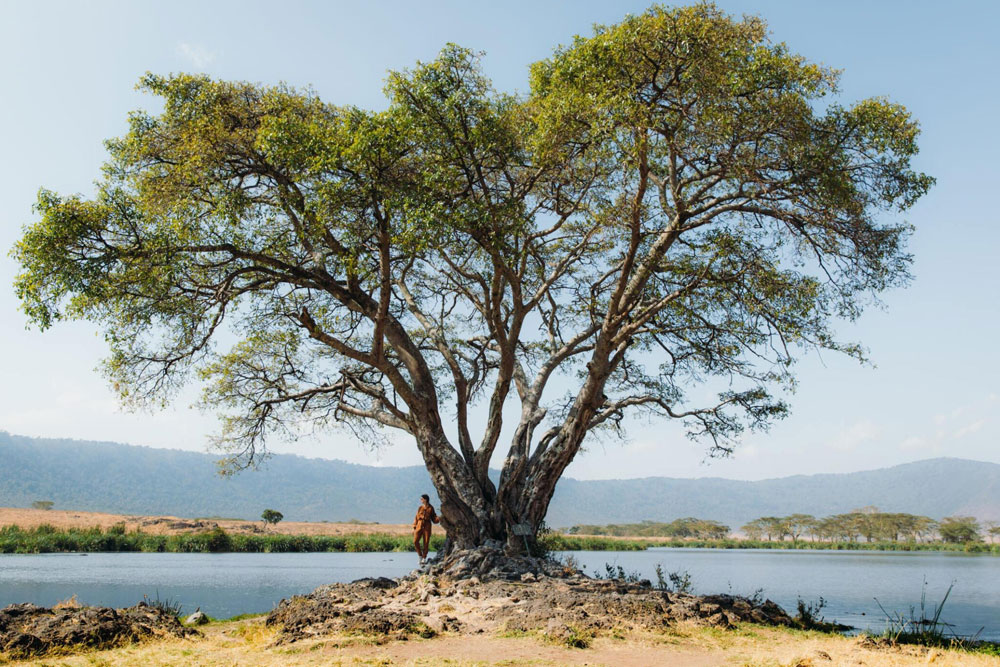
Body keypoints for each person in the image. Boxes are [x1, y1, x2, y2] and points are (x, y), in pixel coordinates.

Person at [413, 494, 439, 564]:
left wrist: (439, 519)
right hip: (419, 524)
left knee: (426, 542)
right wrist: (415, 525)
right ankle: (420, 556)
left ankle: (424, 557)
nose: (421, 500)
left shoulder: (431, 508)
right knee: (415, 541)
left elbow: (434, 517)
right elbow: (416, 516)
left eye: (422, 499)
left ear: (425, 499)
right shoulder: (420, 508)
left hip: (427, 525)